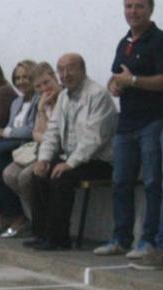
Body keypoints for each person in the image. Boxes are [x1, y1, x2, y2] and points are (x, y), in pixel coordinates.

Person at [25, 53, 117, 251]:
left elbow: (94, 139)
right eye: (61, 70)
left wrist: (70, 163)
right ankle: (41, 234)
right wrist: (43, 159)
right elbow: (53, 131)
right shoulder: (64, 96)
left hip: (99, 160)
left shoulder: (97, 95)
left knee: (62, 177)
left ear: (82, 70)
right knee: (39, 174)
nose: (65, 74)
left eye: (70, 68)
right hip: (73, 157)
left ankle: (59, 238)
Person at [94, 0, 163, 262]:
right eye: (128, 6)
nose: (133, 12)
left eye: (139, 6)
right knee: (120, 182)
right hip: (126, 123)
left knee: (152, 182)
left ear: (151, 9)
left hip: (153, 121)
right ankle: (121, 238)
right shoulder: (124, 43)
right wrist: (115, 86)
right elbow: (116, 76)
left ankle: (149, 241)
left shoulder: (159, 41)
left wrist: (133, 81)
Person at [2, 62, 63, 227]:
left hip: (58, 152)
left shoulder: (64, 99)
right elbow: (37, 134)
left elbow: (50, 135)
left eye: (46, 83)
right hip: (40, 149)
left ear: (55, 78)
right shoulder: (43, 102)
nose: (43, 89)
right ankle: (35, 217)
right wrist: (42, 110)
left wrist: (43, 136)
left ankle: (42, 223)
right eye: (38, 86)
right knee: (8, 173)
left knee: (25, 177)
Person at [0, 60, 38, 238]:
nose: (22, 81)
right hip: (12, 147)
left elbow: (32, 129)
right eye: (18, 78)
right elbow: (9, 127)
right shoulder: (17, 102)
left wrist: (5, 132)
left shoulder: (39, 100)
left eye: (26, 77)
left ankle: (18, 216)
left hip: (28, 148)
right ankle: (6, 213)